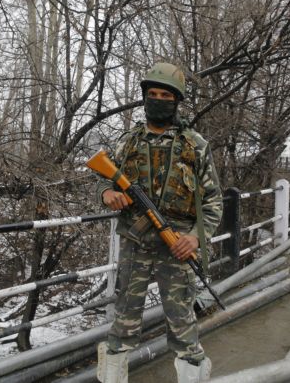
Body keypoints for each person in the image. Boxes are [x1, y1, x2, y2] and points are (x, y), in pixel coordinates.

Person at [96, 62, 223, 383]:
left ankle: (192, 375)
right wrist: (106, 193)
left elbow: (213, 202)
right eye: (151, 94)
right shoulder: (128, 142)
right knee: (123, 320)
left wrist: (195, 238)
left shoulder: (194, 145)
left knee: (182, 323)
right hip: (135, 243)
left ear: (176, 100)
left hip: (176, 244)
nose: (157, 99)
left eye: (165, 94)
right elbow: (101, 179)